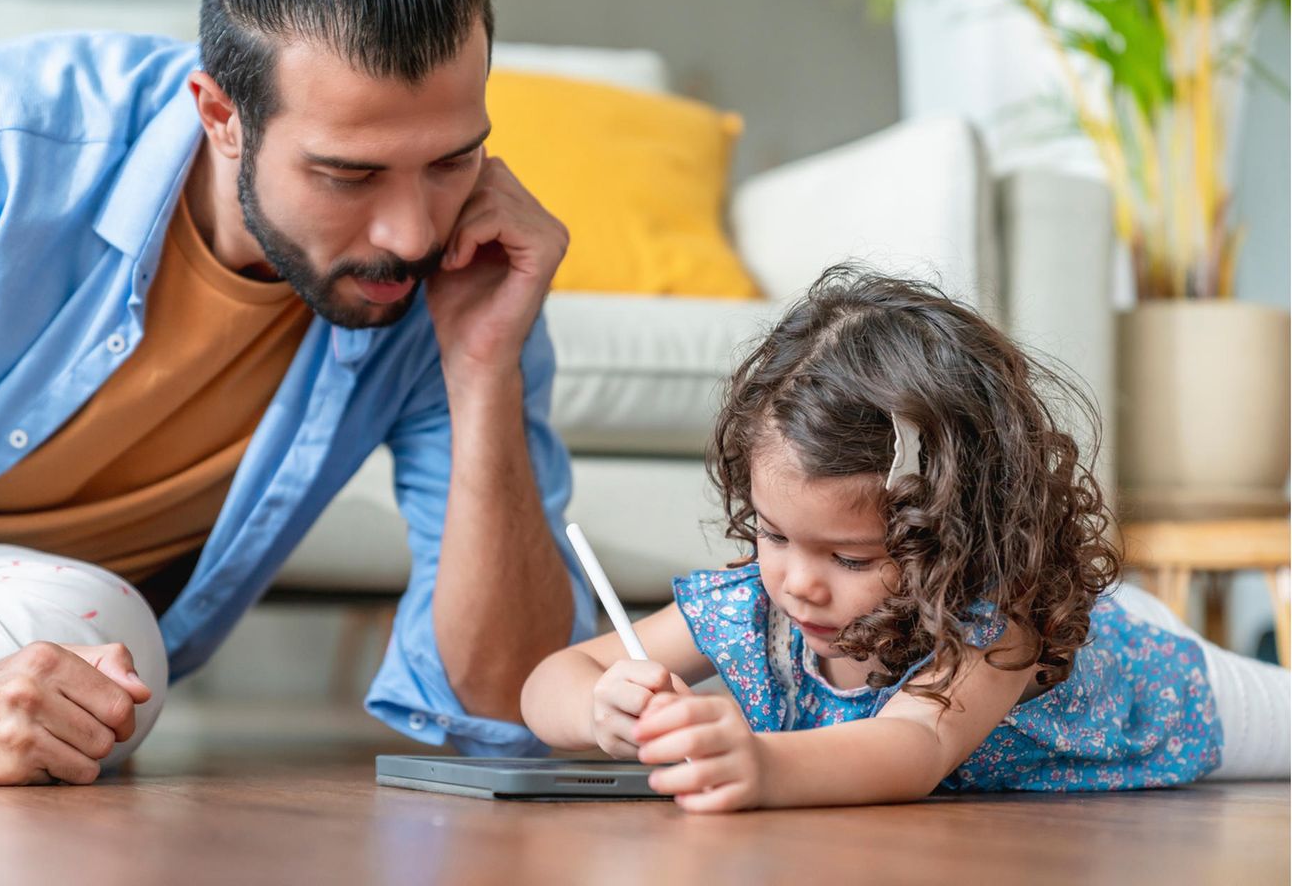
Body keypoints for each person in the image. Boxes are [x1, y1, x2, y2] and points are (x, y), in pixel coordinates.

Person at [0, 0, 592, 785]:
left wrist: (482, 372)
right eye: (349, 176)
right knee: (94, 635)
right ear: (219, 116)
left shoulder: (462, 278)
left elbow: (508, 705)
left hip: (47, 627)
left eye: (452, 160)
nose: (412, 232)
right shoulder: (1, 136)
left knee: (92, 652)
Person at [521, 266, 1291, 812]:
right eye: (775, 534)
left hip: (1158, 684)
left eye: (850, 558)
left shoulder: (997, 620)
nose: (799, 583)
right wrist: (599, 705)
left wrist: (761, 763)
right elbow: (550, 680)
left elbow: (914, 747)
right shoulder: (754, 607)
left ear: (953, 539)